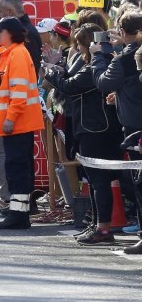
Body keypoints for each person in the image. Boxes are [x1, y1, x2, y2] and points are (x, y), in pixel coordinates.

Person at [49, 24, 119, 244]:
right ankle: (97, 224)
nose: (78, 51)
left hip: (95, 128)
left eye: (79, 46)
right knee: (96, 180)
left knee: (99, 180)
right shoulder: (99, 63)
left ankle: (103, 228)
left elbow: (70, 86)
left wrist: (50, 72)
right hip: (96, 126)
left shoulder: (97, 65)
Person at [0, 16, 44, 229]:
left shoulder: (17, 55)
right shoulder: (11, 54)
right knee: (17, 168)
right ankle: (18, 212)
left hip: (17, 124)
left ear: (10, 33)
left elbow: (18, 92)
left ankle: (19, 216)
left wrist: (10, 119)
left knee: (17, 169)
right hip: (17, 124)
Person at [97, 10, 142, 253]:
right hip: (133, 119)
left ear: (123, 32)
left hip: (136, 126)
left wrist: (98, 57)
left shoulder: (125, 57)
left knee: (140, 180)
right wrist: (124, 93)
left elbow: (104, 82)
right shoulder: (128, 56)